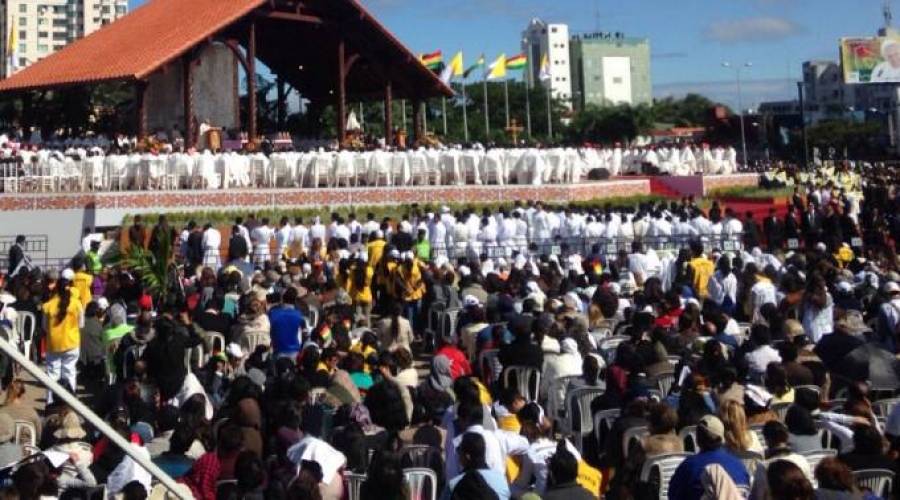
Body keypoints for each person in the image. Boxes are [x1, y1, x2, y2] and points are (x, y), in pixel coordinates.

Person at [668, 415, 750, 500]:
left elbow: (673, 496)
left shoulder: (688, 466)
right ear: (722, 438)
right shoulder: (739, 465)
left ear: (697, 439)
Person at [41, 274, 83, 403]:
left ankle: (51, 403)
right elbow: (81, 325)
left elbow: (45, 327)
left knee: (53, 374)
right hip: (72, 342)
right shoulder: (77, 304)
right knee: (69, 372)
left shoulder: (47, 306)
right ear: (69, 288)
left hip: (54, 343)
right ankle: (71, 403)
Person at [441, 432, 511, 500]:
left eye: (459, 450)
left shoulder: (454, 484)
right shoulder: (501, 479)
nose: (458, 454)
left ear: (467, 456)